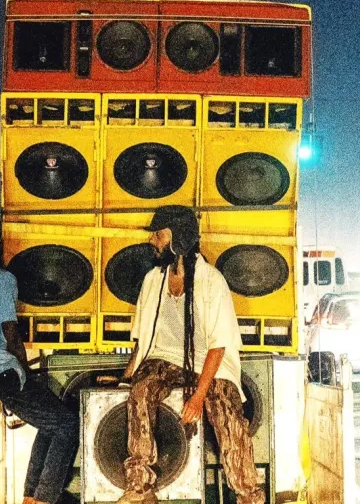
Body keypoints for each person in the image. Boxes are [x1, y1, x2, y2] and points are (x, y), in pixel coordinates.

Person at [118, 205, 262, 504]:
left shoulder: (212, 281)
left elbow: (219, 345)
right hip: (163, 359)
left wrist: (198, 396)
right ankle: (140, 488)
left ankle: (248, 495)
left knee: (226, 410)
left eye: (158, 235)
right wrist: (128, 375)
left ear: (179, 239)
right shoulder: (153, 279)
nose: (152, 241)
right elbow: (142, 338)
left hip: (208, 363)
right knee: (140, 390)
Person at [0, 207, 78, 504]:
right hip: (0, 372)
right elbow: (11, 333)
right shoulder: (2, 279)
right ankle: (41, 499)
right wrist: (26, 376)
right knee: (67, 425)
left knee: (52, 422)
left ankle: (32, 497)